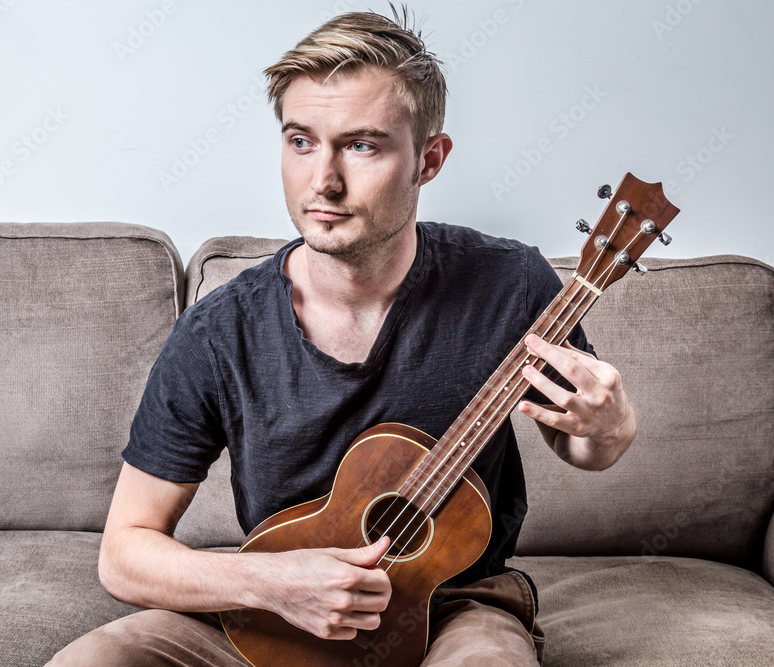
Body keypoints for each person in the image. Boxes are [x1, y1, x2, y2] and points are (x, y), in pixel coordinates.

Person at [47, 6, 636, 666]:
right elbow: (125, 550)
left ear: (429, 159)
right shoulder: (219, 332)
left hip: (452, 605)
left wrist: (611, 423)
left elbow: (581, 440)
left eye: (362, 145)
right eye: (301, 141)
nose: (322, 181)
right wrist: (269, 582)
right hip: (272, 610)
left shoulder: (509, 283)